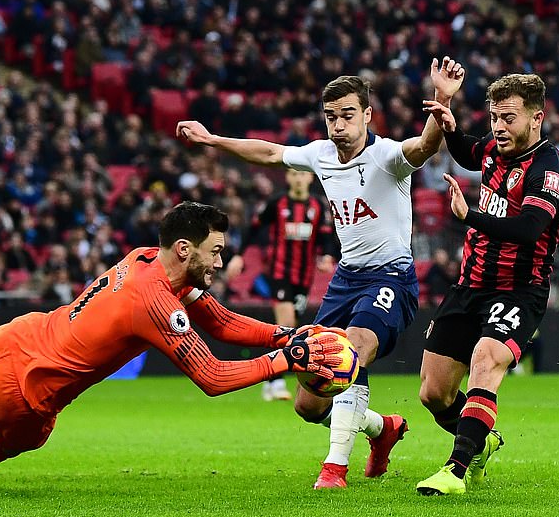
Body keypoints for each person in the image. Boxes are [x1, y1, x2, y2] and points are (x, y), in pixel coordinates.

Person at [0, 202, 346, 489]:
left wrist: (284, 334)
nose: (222, 261)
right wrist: (283, 360)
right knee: (7, 444)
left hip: (21, 334)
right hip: (30, 388)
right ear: (183, 247)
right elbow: (214, 378)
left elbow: (220, 323)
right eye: (215, 251)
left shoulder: (147, 261)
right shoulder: (155, 301)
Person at [177, 57, 467, 489]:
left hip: (390, 277)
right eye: (331, 116)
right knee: (308, 403)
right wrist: (213, 140)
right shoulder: (321, 155)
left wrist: (441, 98)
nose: (338, 124)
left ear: (367, 115)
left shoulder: (386, 156)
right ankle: (380, 429)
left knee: (352, 351)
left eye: (348, 115)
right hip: (346, 280)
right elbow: (271, 153)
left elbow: (423, 147)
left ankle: (334, 469)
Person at [417, 73, 559, 495]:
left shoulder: (548, 169)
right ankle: (481, 442)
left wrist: (469, 217)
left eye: (508, 118)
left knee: (486, 358)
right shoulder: (495, 147)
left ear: (536, 118)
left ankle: (456, 470)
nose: (498, 127)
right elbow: (470, 152)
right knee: (433, 392)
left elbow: (529, 228)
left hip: (519, 290)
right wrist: (450, 129)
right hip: (470, 285)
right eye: (494, 117)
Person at [225, 169, 337, 402]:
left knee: (288, 327)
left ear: (309, 178)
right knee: (286, 324)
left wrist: (326, 256)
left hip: (304, 278)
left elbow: (327, 237)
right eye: (294, 174)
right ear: (287, 177)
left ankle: (268, 379)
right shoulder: (277, 202)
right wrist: (240, 255)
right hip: (279, 273)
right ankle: (275, 381)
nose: (298, 178)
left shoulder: (318, 206)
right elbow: (254, 229)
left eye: (302, 174)